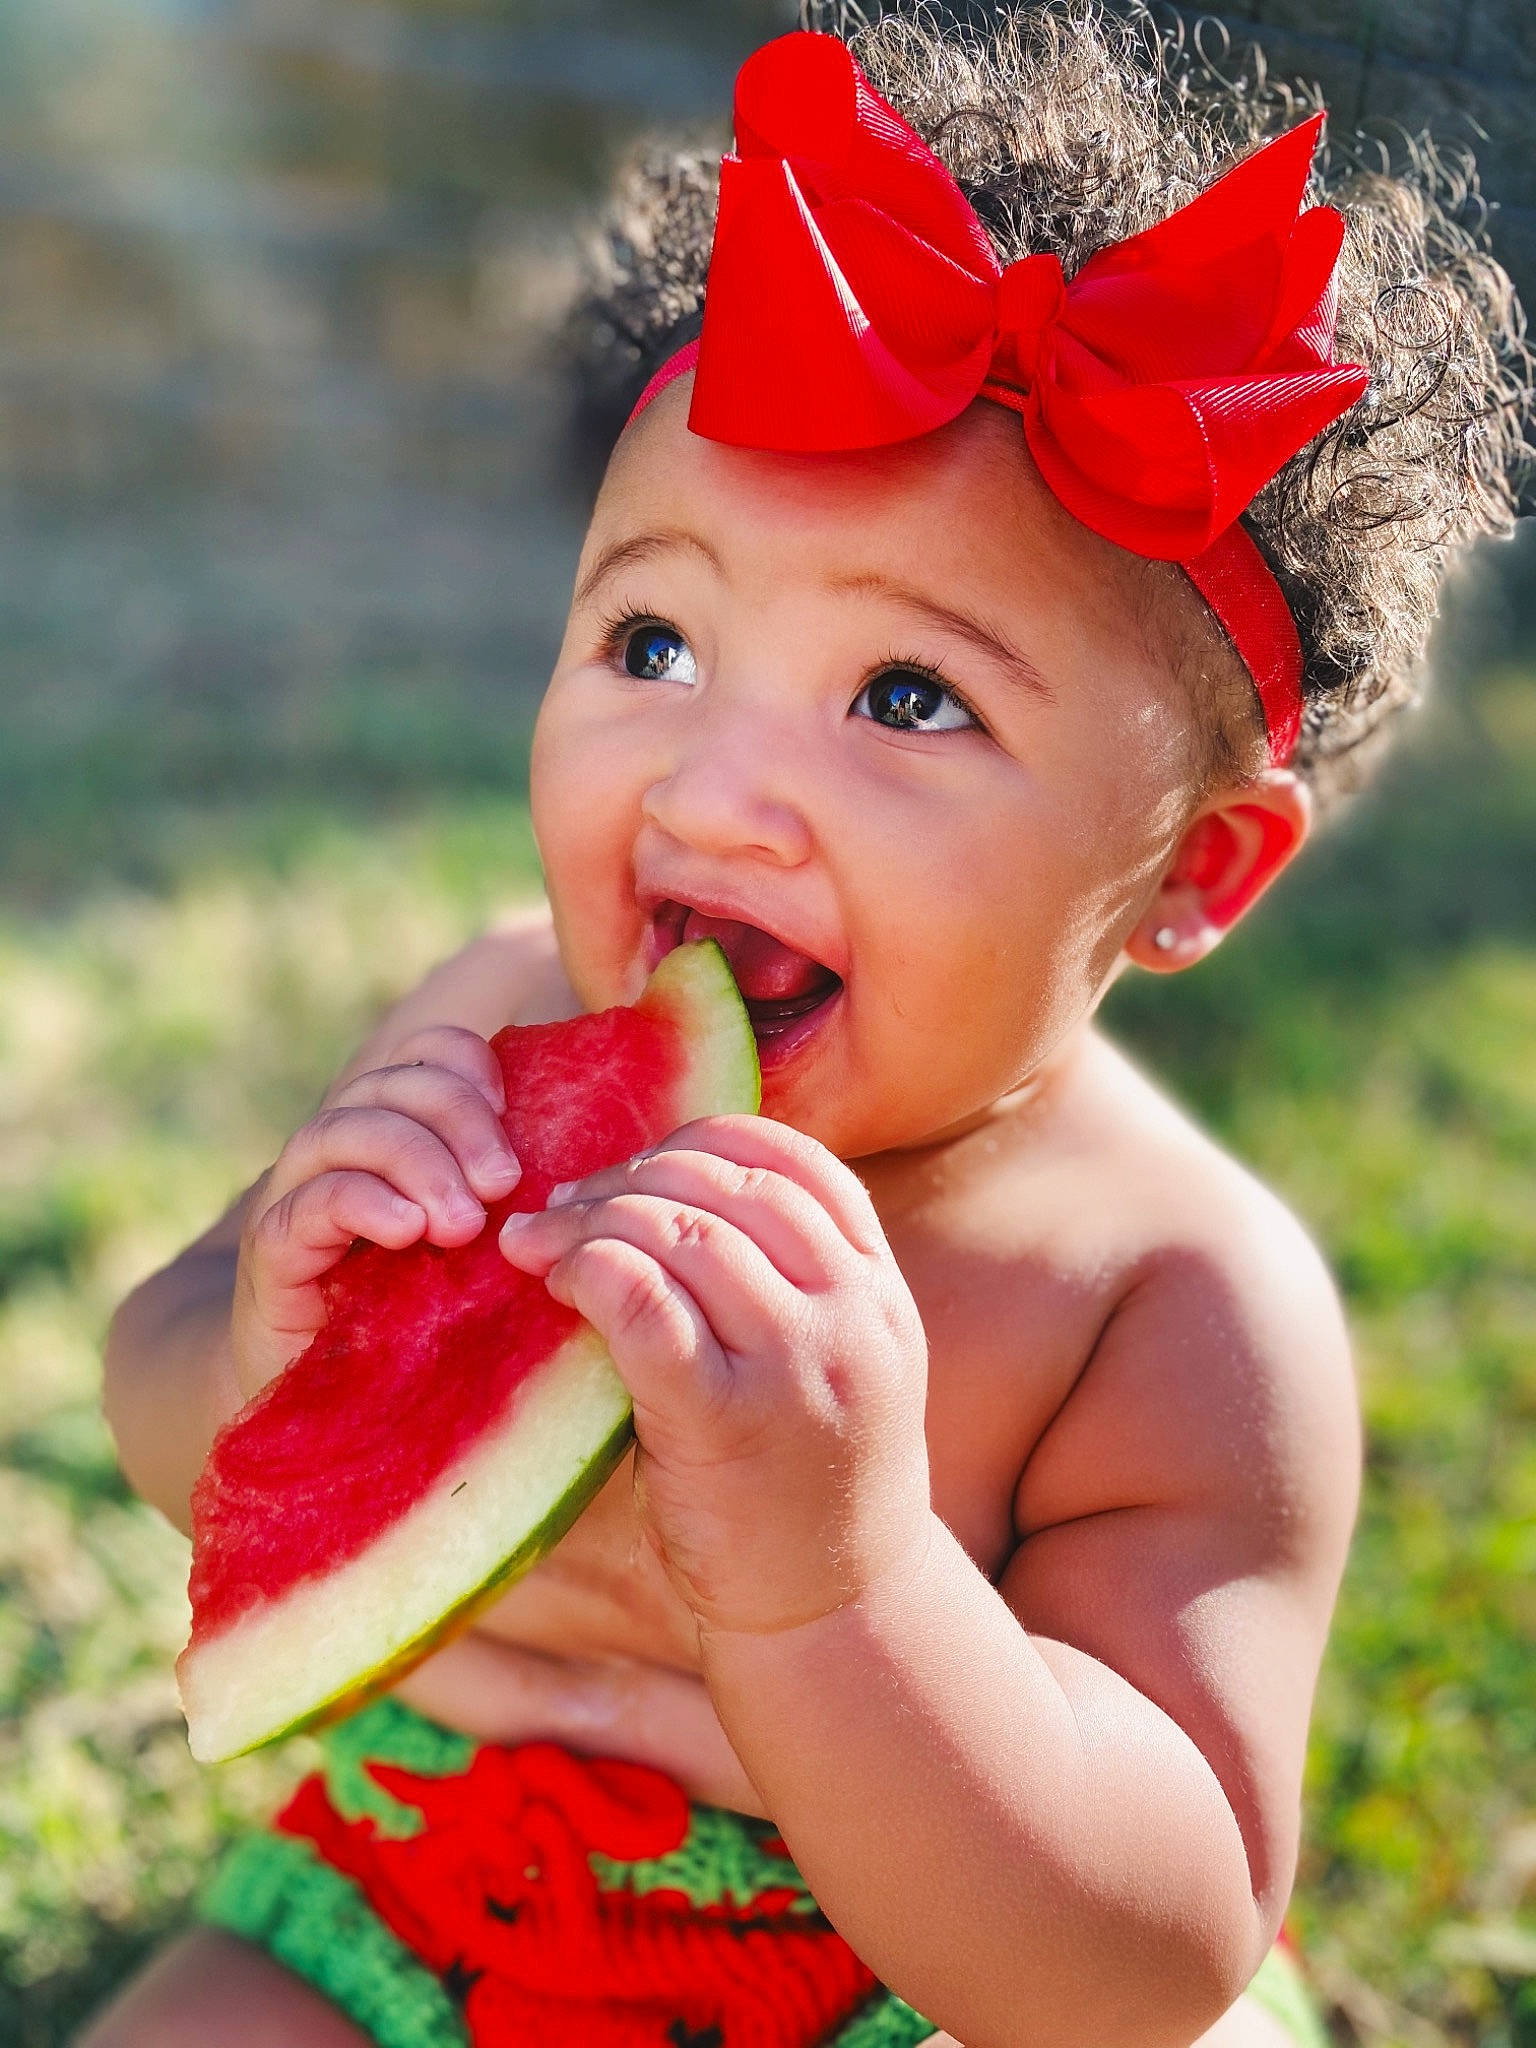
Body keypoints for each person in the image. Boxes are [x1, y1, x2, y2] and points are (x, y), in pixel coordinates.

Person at [84, 3, 1531, 2045]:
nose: (709, 792)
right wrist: (258, 1350)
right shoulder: (505, 1015)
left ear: (1197, 871)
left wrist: (842, 1578)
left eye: (909, 698)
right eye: (652, 640)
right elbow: (162, 1403)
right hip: (419, 1890)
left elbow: (1156, 1939)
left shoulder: (1173, 1298)